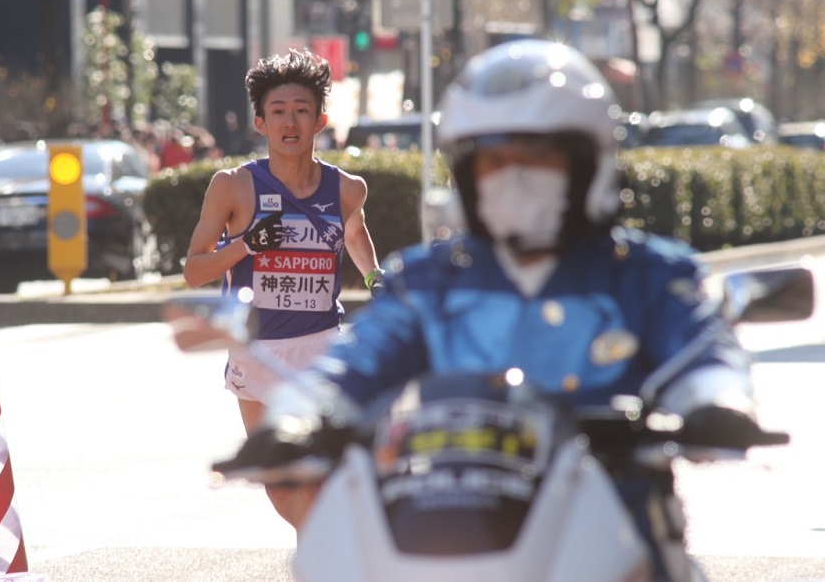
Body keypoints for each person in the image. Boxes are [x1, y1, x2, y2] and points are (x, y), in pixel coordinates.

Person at [267, 40, 763, 571]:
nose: (514, 175)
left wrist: (717, 402)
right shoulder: (429, 281)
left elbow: (703, 351)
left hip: (613, 530)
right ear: (465, 174)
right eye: (494, 160)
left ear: (588, 162)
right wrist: (297, 416)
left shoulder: (650, 275)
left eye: (539, 157)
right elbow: (356, 362)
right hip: (443, 524)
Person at [183, 48, 385, 528]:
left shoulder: (348, 190)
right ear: (260, 122)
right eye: (278, 112)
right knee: (282, 491)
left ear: (320, 120)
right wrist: (247, 245)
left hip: (322, 348)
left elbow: (356, 237)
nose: (289, 122)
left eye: (301, 111)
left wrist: (376, 277)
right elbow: (194, 271)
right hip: (258, 352)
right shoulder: (233, 187)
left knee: (321, 488)